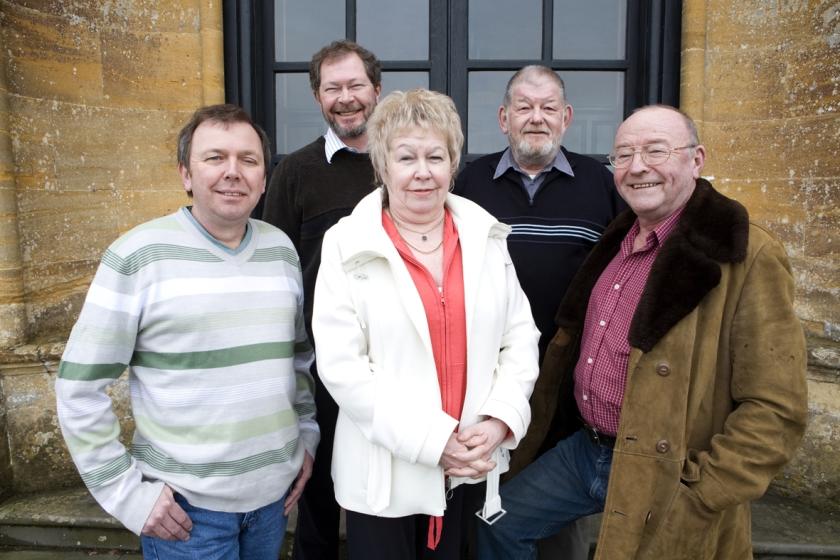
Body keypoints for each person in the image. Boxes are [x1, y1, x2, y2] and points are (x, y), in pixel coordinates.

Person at [478, 105, 808, 559]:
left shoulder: (746, 253)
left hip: (666, 467)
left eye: (656, 150)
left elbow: (777, 407)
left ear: (696, 159)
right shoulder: (616, 242)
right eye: (624, 155)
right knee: (499, 523)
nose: (637, 167)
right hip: (587, 449)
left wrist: (703, 490)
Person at [56, 104, 319, 559]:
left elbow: (297, 360)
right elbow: (79, 389)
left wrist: (307, 438)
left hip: (272, 504)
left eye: (248, 160)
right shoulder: (137, 256)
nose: (232, 172)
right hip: (187, 515)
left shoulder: (281, 251)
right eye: (214, 158)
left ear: (263, 177)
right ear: (185, 174)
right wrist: (127, 494)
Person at [312, 89, 540, 559]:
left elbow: (520, 337)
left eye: (436, 156)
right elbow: (342, 367)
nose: (422, 171)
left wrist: (500, 418)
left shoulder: (487, 237)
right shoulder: (345, 243)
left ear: (453, 164)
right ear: (382, 164)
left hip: (468, 467)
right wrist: (434, 441)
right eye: (406, 156)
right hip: (384, 476)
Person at [454, 65, 625, 559]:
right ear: (504, 118)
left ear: (567, 117)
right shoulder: (469, 183)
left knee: (558, 523)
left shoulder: (602, 185)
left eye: (548, 107)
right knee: (484, 509)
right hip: (487, 385)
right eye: (524, 107)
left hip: (570, 388)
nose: (536, 118)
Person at [261, 40, 380, 559]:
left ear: (376, 90)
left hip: (395, 362)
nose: (346, 98)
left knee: (387, 492)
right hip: (321, 365)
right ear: (317, 97)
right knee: (318, 498)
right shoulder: (295, 172)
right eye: (332, 88)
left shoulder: (403, 164)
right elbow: (275, 271)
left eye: (355, 85)